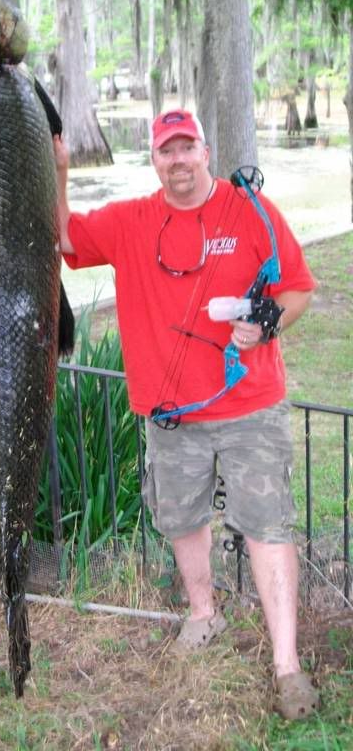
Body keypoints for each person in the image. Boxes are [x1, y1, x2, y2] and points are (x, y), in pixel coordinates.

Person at [54, 109, 319, 721]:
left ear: (205, 150)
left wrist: (269, 322)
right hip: (173, 412)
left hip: (251, 404)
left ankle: (287, 666)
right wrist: (61, 168)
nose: (178, 160)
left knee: (268, 525)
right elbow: (65, 238)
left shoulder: (251, 211)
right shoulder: (130, 221)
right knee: (181, 517)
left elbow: (299, 286)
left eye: (187, 148)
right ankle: (203, 615)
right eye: (165, 151)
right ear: (156, 161)